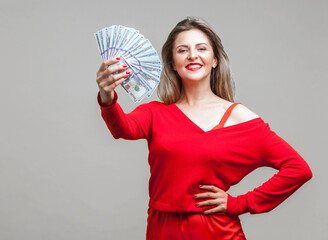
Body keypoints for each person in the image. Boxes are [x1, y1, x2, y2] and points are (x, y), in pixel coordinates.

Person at [96, 17, 312, 240]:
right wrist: (107, 94)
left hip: (216, 232)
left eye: (201, 48)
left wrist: (240, 203)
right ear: (172, 63)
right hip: (162, 231)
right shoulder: (155, 113)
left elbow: (298, 169)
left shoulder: (239, 117)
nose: (192, 55)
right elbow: (121, 128)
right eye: (182, 50)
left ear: (215, 60)